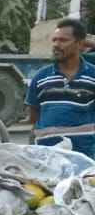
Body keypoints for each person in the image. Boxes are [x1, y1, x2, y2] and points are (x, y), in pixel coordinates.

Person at [26, 18, 95, 158]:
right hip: (46, 157)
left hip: (85, 157)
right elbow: (35, 113)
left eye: (63, 40)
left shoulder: (93, 75)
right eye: (54, 40)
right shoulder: (40, 77)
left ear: (80, 44)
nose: (56, 45)